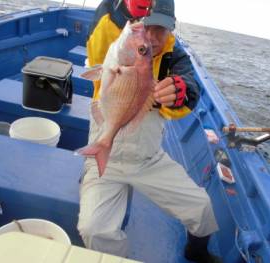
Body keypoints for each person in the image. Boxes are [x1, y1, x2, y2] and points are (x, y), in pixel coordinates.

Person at [78, 1, 221, 262]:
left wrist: (180, 92)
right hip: (107, 161)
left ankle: (197, 251)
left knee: (202, 208)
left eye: (161, 30)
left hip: (149, 160)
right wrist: (120, 7)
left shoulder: (174, 56)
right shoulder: (112, 42)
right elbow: (104, 24)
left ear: (171, 31)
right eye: (148, 26)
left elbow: (191, 87)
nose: (152, 37)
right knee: (93, 229)